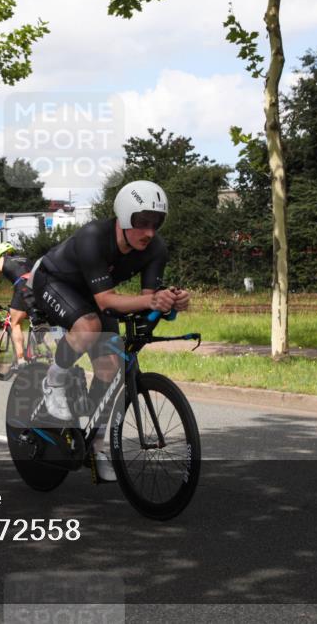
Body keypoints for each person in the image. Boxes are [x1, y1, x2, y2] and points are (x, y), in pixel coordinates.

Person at [30, 180, 189, 480]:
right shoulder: (93, 237)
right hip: (54, 281)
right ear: (124, 217)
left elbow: (147, 301)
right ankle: (54, 380)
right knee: (89, 326)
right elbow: (105, 301)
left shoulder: (156, 249)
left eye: (156, 224)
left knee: (110, 365)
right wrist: (152, 299)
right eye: (142, 223)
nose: (149, 232)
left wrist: (170, 302)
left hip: (91, 295)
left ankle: (97, 445)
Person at [0, 242, 33, 368]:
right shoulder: (27, 259)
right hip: (41, 286)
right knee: (37, 318)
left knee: (16, 323)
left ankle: (21, 360)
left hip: (23, 287)